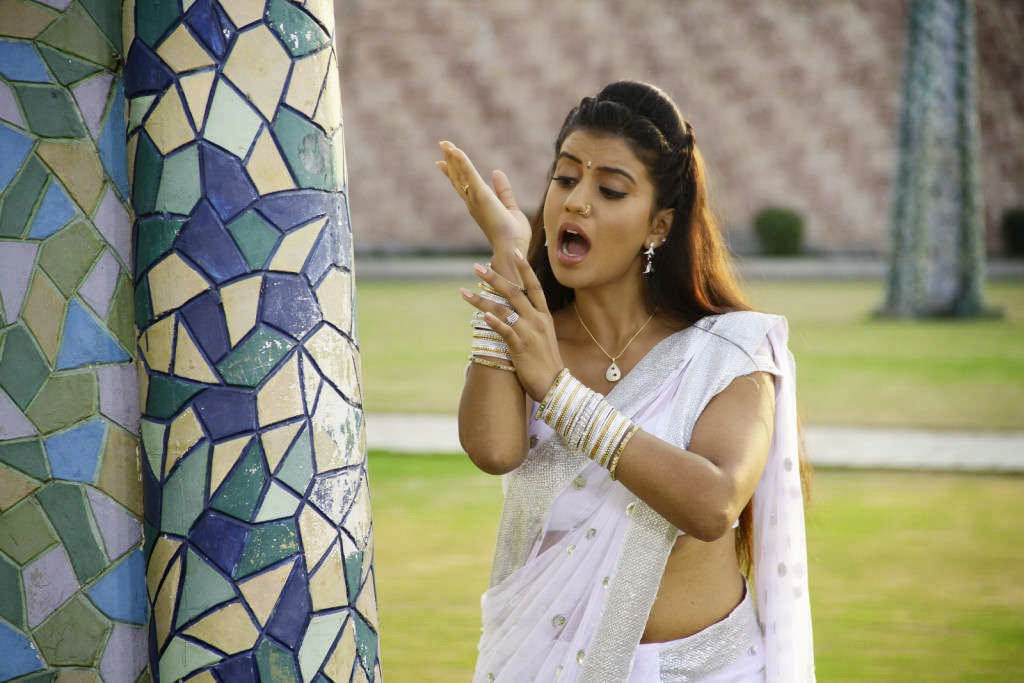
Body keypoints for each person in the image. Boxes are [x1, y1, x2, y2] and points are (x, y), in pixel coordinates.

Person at [436, 81, 814, 683]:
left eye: (609, 189)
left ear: (658, 226)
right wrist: (509, 255)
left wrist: (559, 394)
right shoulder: (533, 337)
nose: (576, 202)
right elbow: (492, 450)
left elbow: (714, 503)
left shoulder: (729, 350)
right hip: (542, 667)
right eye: (565, 179)